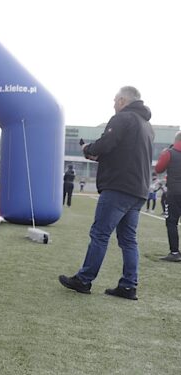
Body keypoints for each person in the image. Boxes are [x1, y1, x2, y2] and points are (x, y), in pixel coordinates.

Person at [59, 86, 153, 300]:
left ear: (122, 100)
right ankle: (129, 286)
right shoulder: (147, 126)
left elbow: (106, 144)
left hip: (118, 187)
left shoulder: (122, 118)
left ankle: (84, 280)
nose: (113, 104)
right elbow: (124, 154)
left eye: (114, 100)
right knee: (128, 239)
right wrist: (98, 156)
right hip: (138, 190)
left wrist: (88, 149)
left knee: (100, 234)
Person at [154, 133, 181, 262]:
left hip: (174, 192)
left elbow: (159, 169)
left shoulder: (170, 153)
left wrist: (163, 154)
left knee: (171, 222)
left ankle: (174, 252)